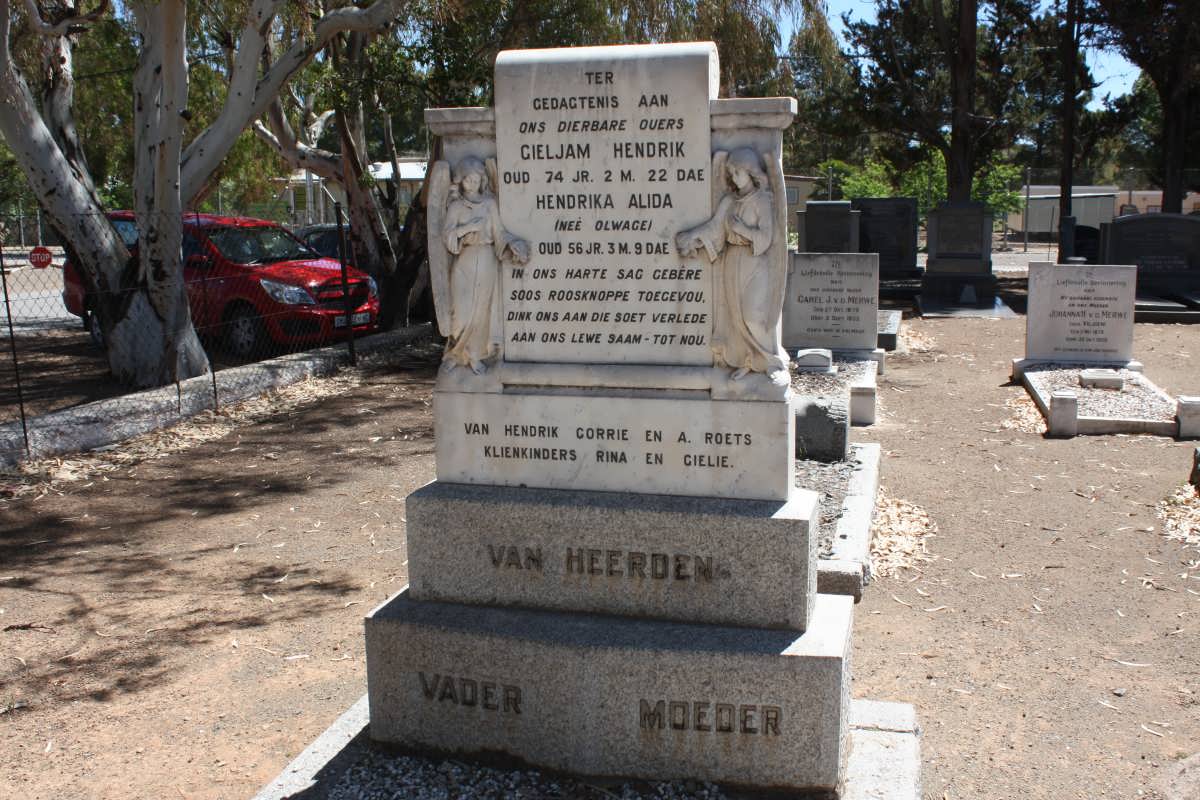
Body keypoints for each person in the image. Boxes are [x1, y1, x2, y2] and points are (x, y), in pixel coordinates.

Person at [676, 148, 787, 381]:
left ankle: (771, 362)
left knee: (753, 316)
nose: (734, 177)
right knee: (735, 317)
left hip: (754, 263)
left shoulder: (763, 201)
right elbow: (714, 228)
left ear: (751, 172)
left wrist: (742, 230)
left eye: (737, 172)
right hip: (732, 260)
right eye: (731, 173)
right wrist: (692, 236)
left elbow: (766, 238)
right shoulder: (729, 201)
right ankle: (749, 360)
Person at [441, 157, 529, 373]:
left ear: (482, 180)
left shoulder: (490, 204)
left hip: (487, 258)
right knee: (460, 312)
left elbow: (499, 234)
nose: (472, 184)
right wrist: (467, 228)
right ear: (460, 181)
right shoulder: (456, 207)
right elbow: (448, 236)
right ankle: (456, 352)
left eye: (476, 179)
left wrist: (514, 245)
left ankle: (474, 356)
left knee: (481, 311)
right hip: (465, 261)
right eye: (468, 180)